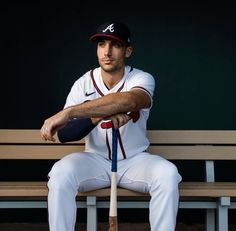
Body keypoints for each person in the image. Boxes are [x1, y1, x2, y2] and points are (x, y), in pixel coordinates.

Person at [40, 21, 182, 231]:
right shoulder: (83, 83)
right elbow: (64, 135)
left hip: (135, 160)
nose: (107, 51)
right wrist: (97, 116)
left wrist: (70, 112)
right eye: (101, 44)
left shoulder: (142, 78)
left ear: (128, 51)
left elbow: (130, 101)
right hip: (94, 160)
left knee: (168, 174)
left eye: (115, 45)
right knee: (60, 174)